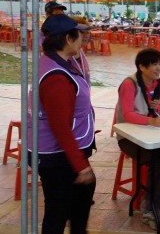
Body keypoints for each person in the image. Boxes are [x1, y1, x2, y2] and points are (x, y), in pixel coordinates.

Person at [27, 14, 96, 234]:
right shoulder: (56, 76)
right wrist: (80, 164)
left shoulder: (56, 62)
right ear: (68, 38)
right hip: (57, 157)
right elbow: (60, 126)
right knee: (57, 212)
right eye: (79, 34)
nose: (82, 39)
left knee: (81, 196)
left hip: (61, 153)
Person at [115, 48, 160, 230]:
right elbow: (128, 114)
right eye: (154, 64)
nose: (158, 68)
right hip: (129, 138)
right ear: (142, 67)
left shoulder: (158, 84)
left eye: (159, 63)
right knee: (158, 162)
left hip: (152, 135)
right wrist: (151, 120)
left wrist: (159, 108)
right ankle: (149, 209)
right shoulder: (129, 84)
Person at [71, 16, 92, 84]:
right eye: (82, 32)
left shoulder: (80, 51)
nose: (86, 36)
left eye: (88, 32)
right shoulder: (65, 55)